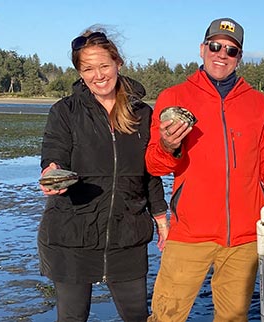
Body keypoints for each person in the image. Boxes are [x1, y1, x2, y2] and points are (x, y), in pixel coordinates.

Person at [145, 17, 264, 321]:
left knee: (233, 318)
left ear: (239, 57)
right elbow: (155, 165)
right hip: (189, 233)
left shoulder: (259, 105)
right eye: (215, 46)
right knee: (166, 315)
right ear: (202, 49)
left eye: (230, 50)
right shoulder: (174, 97)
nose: (221, 55)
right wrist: (168, 145)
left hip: (243, 237)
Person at [37, 27, 168, 322]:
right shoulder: (65, 111)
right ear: (79, 72)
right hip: (73, 231)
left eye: (104, 66)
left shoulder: (141, 113)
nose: (98, 75)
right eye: (88, 68)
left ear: (118, 64)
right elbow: (53, 153)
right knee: (71, 318)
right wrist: (52, 172)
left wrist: (160, 217)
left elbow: (150, 172)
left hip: (128, 233)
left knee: (137, 316)